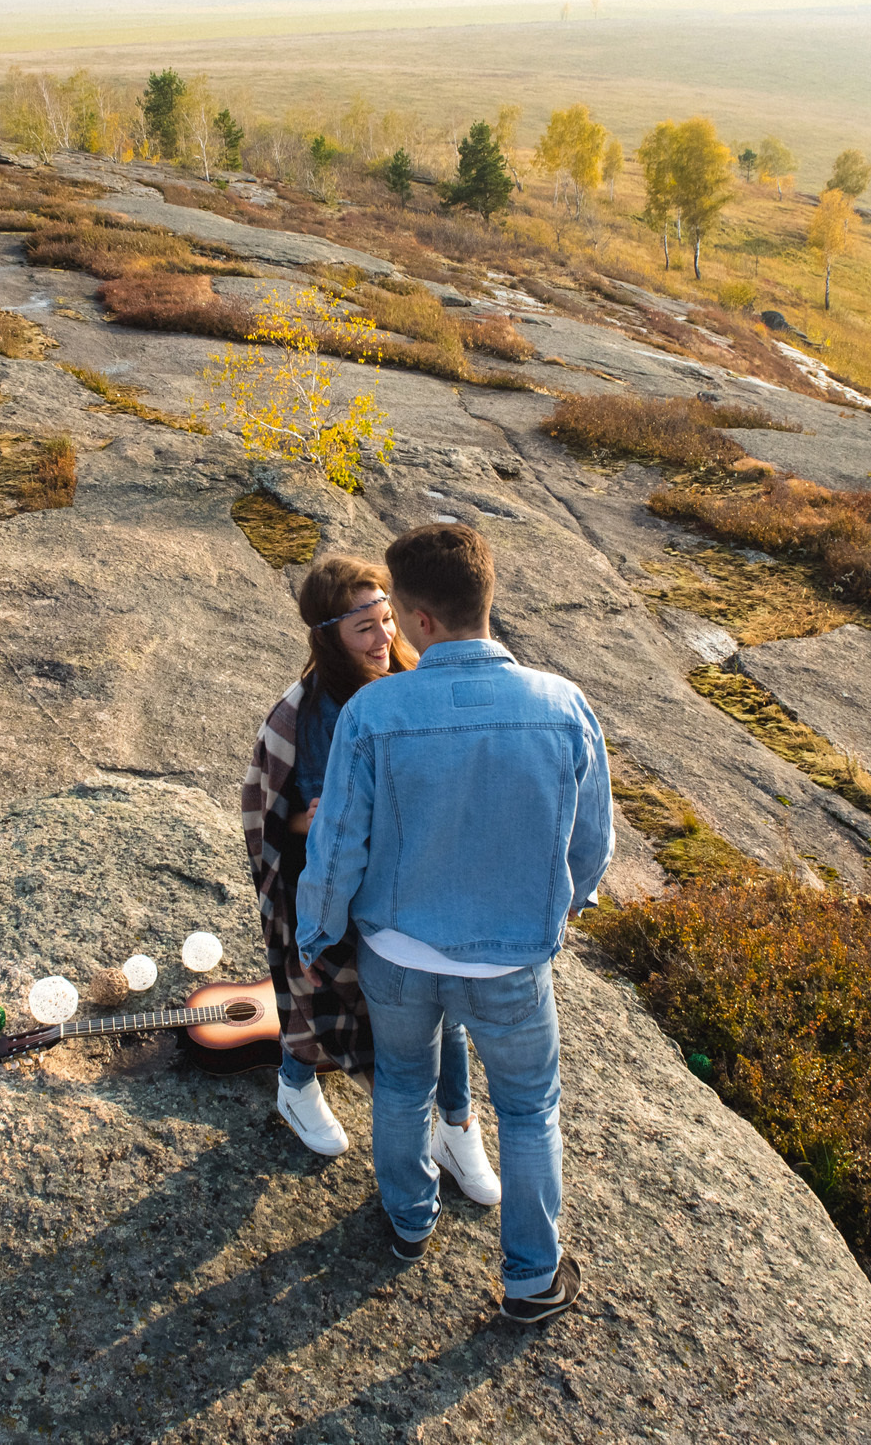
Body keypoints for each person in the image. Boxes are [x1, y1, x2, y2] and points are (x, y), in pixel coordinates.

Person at [297, 523, 611, 1326]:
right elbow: (591, 843)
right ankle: (532, 1280)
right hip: (511, 962)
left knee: (401, 1085)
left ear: (422, 619)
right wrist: (563, 907)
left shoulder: (373, 713)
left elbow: (337, 848)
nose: (392, 627)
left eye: (397, 612)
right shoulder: (563, 704)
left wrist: (316, 930)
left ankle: (408, 1224)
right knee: (531, 1110)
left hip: (396, 953)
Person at [241, 556, 501, 1208]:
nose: (384, 638)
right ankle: (296, 1084)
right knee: (319, 996)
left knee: (444, 1005)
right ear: (330, 636)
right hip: (341, 890)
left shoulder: (409, 680)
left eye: (387, 620)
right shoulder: (322, 716)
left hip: (412, 881)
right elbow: (301, 821)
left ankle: (456, 1128)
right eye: (365, 629)